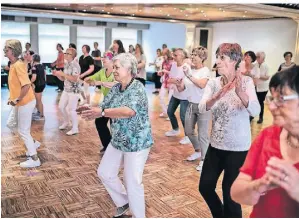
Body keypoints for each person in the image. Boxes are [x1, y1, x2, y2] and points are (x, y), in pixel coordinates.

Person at [78, 53, 153, 218]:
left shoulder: (137, 87)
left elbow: (129, 111)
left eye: (117, 67)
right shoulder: (116, 88)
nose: (114, 70)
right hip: (118, 139)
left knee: (133, 181)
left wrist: (102, 111)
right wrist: (90, 109)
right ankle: (124, 202)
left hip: (137, 142)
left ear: (129, 69)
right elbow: (103, 107)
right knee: (105, 172)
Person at [198, 43, 260, 218]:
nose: (217, 61)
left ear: (234, 60)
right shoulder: (213, 83)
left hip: (238, 149)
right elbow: (202, 107)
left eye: (222, 57)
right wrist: (216, 96)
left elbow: (255, 110)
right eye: (217, 57)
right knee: (205, 186)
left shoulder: (246, 82)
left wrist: (241, 93)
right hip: (216, 145)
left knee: (230, 194)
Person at [231, 66, 299, 217]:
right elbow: (236, 192)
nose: (272, 106)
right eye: (272, 98)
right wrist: (259, 185)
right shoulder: (267, 135)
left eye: (281, 99)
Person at [4, 39, 41, 168]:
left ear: (13, 51)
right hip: (21, 102)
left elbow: (26, 85)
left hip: (26, 102)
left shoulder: (18, 65)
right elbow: (16, 85)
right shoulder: (14, 64)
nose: (4, 50)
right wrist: (12, 98)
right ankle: (34, 143)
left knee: (23, 131)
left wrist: (17, 99)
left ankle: (34, 158)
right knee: (13, 125)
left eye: (7, 49)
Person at [176, 46, 211, 171]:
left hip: (203, 105)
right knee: (188, 130)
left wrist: (189, 75)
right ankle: (198, 150)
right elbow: (181, 89)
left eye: (195, 55)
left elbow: (202, 85)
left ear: (202, 57)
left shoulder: (206, 71)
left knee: (202, 134)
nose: (192, 58)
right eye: (192, 55)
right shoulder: (189, 71)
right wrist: (178, 82)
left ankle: (204, 160)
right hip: (191, 104)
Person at [84, 51, 117, 153]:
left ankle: (116, 149)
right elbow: (92, 78)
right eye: (102, 57)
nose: (102, 59)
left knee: (114, 126)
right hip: (107, 102)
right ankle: (107, 145)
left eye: (105, 58)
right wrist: (88, 79)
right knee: (100, 122)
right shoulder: (102, 71)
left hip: (117, 103)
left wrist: (101, 82)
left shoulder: (116, 71)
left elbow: (116, 84)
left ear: (111, 60)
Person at [53, 48, 81, 136]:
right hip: (66, 89)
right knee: (61, 107)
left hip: (74, 90)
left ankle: (75, 128)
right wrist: (57, 75)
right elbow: (63, 78)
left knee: (72, 110)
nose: (65, 54)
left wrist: (63, 74)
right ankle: (66, 122)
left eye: (68, 53)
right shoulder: (66, 64)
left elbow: (75, 79)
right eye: (65, 53)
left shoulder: (75, 65)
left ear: (72, 56)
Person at [165, 48, 191, 145]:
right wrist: (176, 81)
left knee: (183, 116)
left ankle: (188, 136)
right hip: (176, 94)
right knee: (170, 111)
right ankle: (175, 129)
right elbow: (170, 79)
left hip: (185, 96)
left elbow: (183, 85)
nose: (174, 57)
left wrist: (176, 81)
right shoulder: (174, 65)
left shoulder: (186, 67)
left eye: (176, 55)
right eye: (174, 55)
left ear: (183, 56)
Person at [255, 51, 270, 124]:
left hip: (263, 88)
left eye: (258, 57)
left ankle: (261, 117)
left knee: (260, 103)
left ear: (263, 58)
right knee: (254, 102)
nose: (256, 58)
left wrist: (258, 76)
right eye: (256, 56)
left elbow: (267, 77)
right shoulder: (255, 64)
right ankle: (252, 116)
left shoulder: (266, 65)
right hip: (255, 87)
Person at [158, 49, 173, 118]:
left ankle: (170, 114)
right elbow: (163, 72)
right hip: (165, 82)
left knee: (170, 99)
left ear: (168, 54)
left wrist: (166, 71)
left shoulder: (172, 62)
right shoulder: (163, 62)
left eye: (165, 55)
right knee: (161, 96)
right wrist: (161, 73)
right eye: (163, 54)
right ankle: (165, 112)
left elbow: (174, 73)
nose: (163, 56)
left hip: (172, 82)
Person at [30, 54, 46, 121]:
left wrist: (29, 83)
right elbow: (45, 75)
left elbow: (34, 78)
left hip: (38, 85)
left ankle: (42, 116)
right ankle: (38, 112)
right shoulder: (42, 66)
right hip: (42, 84)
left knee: (38, 101)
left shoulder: (34, 67)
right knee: (37, 100)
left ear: (33, 59)